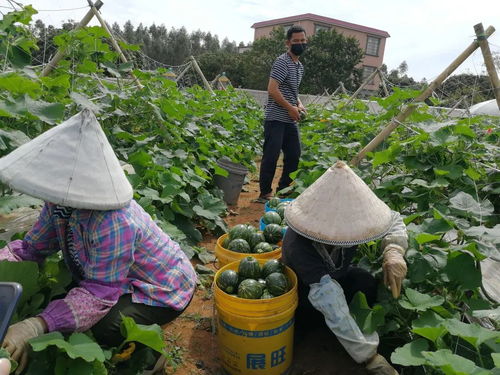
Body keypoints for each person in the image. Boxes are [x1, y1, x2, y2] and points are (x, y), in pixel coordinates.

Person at [0, 110, 197, 374]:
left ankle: (147, 357)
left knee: (105, 326)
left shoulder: (114, 222)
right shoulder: (60, 202)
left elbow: (99, 293)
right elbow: (30, 249)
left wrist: (36, 325)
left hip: (163, 288)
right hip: (120, 279)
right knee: (66, 301)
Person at [282, 161, 408, 375]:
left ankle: (346, 332)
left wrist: (394, 250)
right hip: (307, 291)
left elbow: (392, 218)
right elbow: (328, 298)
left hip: (334, 279)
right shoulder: (298, 244)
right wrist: (369, 356)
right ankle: (328, 336)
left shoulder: (353, 218)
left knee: (365, 282)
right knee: (312, 316)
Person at [256, 25, 308, 203]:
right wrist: (290, 108)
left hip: (290, 120)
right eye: (296, 41)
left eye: (302, 41)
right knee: (271, 156)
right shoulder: (282, 62)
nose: (300, 44)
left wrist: (299, 105)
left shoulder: (299, 67)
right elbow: (272, 89)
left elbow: (293, 92)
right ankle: (265, 193)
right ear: (288, 43)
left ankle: (283, 191)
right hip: (275, 118)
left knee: (294, 155)